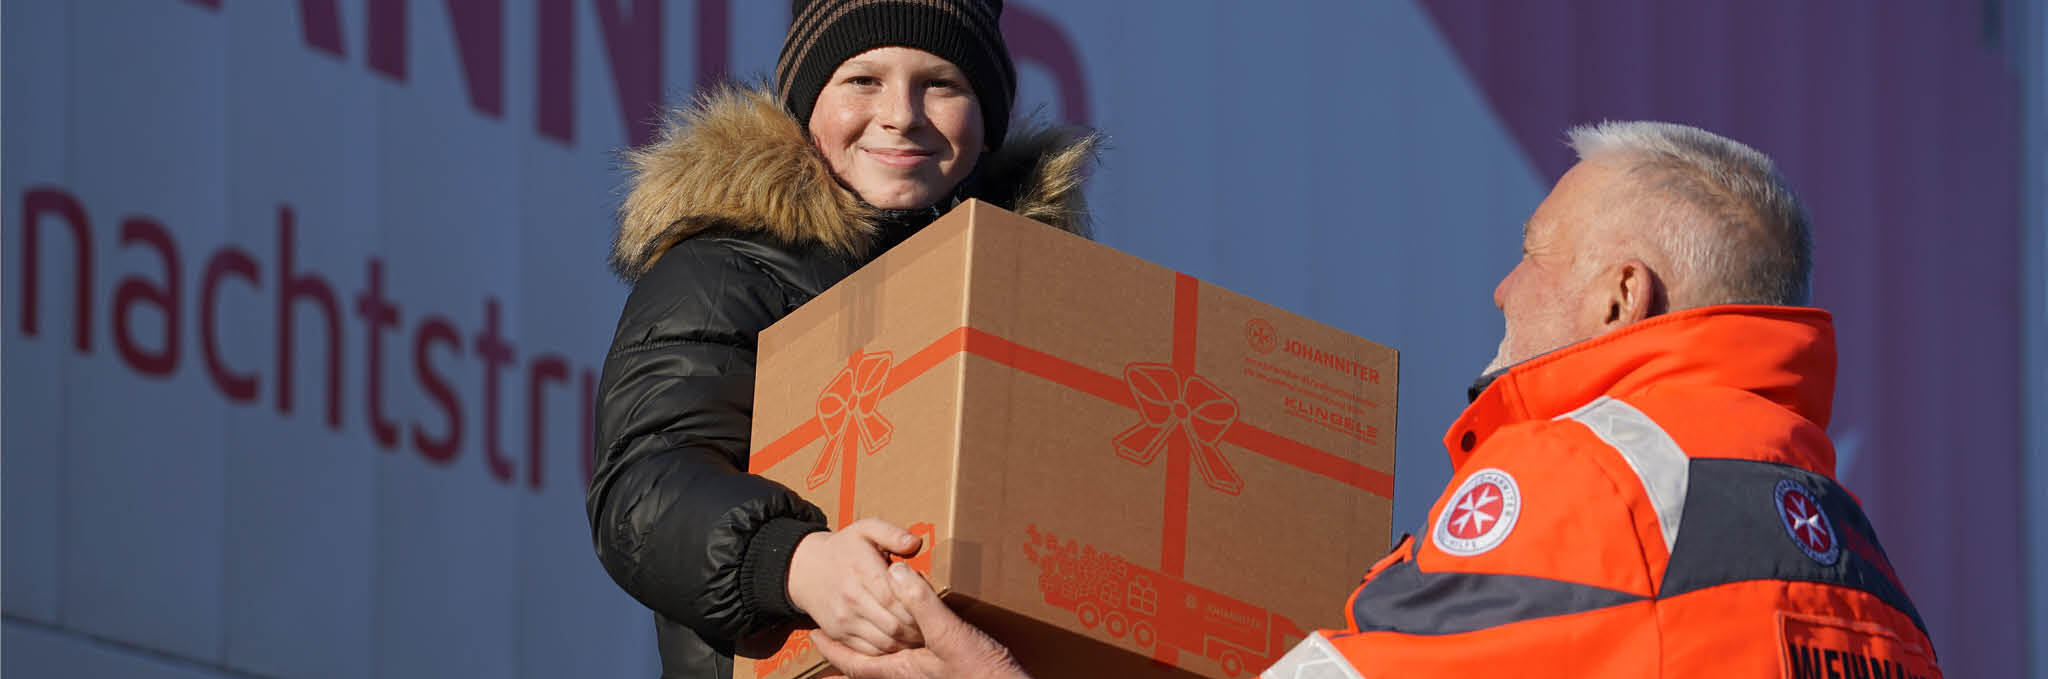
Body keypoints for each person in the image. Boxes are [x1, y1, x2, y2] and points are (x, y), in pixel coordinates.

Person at [813, 122, 1945, 679]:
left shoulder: (1590, 479)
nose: (1502, 286)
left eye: (1529, 252)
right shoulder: (1858, 566)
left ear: (1616, 297)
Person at [587, 1, 1098, 676]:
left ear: (988, 118)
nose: (901, 114)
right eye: (864, 80)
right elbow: (642, 489)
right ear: (808, 101)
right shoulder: (722, 271)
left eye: (941, 83)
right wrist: (796, 563)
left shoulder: (1033, 298)